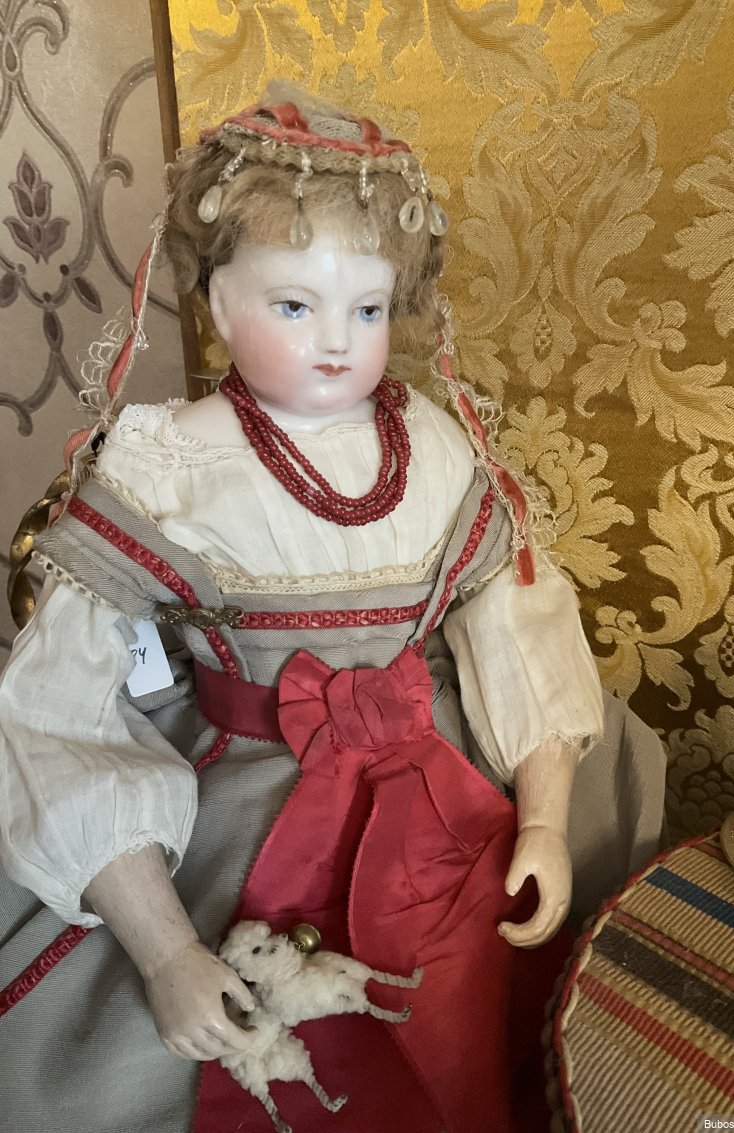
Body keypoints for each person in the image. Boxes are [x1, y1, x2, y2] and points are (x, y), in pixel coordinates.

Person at [0, 90, 649, 1133]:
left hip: (437, 769)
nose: (339, 342)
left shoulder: (429, 444)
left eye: (369, 309)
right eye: (295, 306)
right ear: (217, 304)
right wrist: (164, 948)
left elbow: (510, 616)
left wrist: (541, 814)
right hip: (245, 781)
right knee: (213, 1041)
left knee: (488, 1014)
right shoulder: (169, 465)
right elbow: (60, 707)